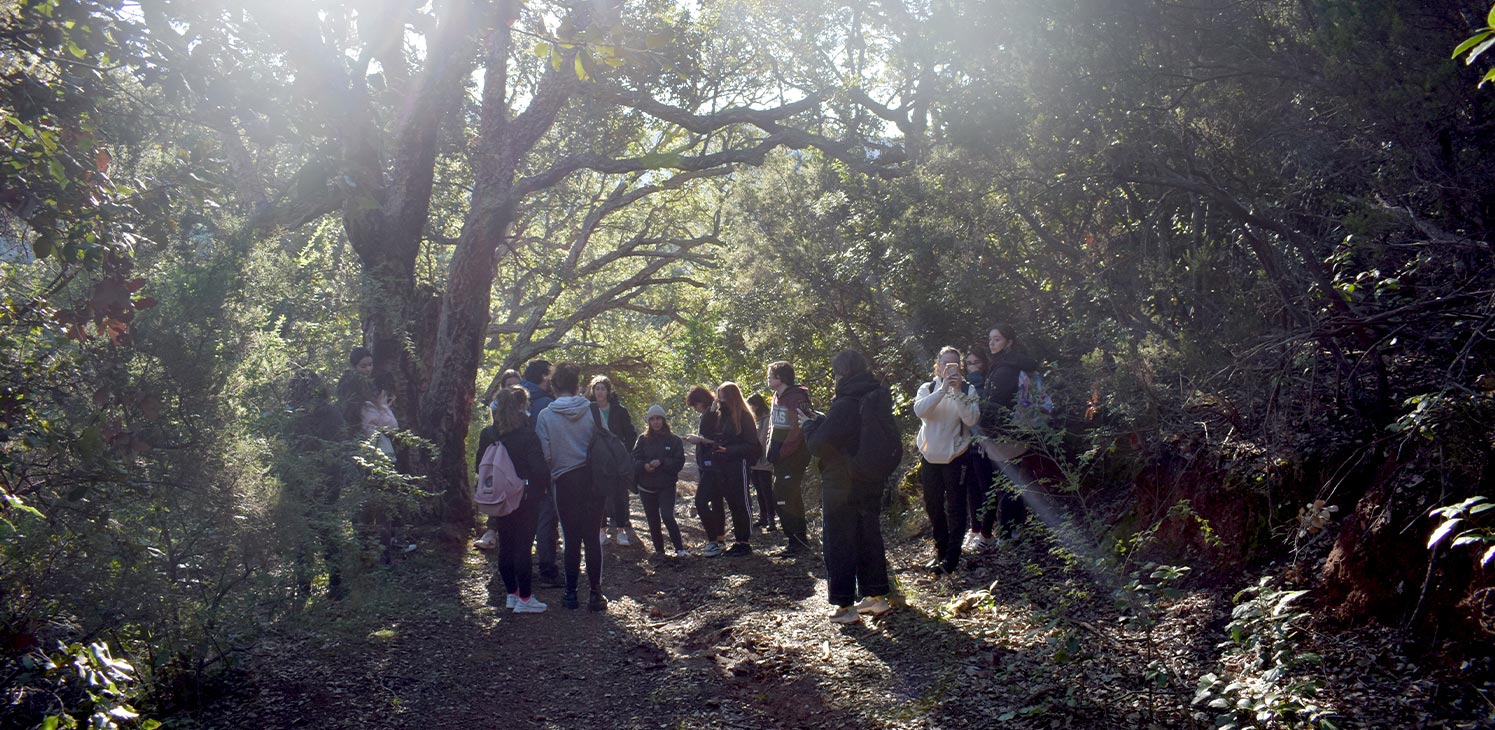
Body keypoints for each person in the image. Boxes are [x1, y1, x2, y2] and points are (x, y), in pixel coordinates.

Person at [803, 350, 894, 624]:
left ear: (841, 373)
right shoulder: (875, 396)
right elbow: (848, 431)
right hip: (871, 476)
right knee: (869, 536)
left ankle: (845, 606)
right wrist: (821, 421)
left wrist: (808, 426)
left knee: (839, 541)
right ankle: (876, 597)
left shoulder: (845, 402)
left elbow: (819, 445)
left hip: (842, 482)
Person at [534, 362, 607, 611]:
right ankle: (596, 594)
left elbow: (545, 455)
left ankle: (571, 593)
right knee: (592, 538)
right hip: (593, 481)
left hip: (564, 481)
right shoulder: (593, 411)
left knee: (571, 539)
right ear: (577, 386)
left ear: (553, 386)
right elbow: (604, 447)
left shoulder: (545, 415)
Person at [474, 386, 551, 613]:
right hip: (525, 498)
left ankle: (512, 594)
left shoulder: (488, 434)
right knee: (523, 547)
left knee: (506, 546)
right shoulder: (527, 434)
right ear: (521, 406)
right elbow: (538, 469)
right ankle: (526, 599)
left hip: (498, 496)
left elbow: (480, 463)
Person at [914, 347, 980, 575]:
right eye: (945, 364)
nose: (949, 368)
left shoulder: (968, 389)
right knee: (933, 506)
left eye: (954, 364)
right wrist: (942, 389)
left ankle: (952, 559)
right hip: (929, 456)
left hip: (956, 457)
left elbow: (971, 419)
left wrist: (957, 390)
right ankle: (941, 552)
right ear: (938, 365)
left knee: (956, 507)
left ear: (959, 367)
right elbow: (920, 411)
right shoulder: (928, 387)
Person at [978, 323, 1042, 541]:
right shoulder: (1014, 363)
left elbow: (996, 404)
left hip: (1005, 432)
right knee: (1013, 480)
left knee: (1006, 482)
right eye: (990, 339)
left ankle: (1007, 533)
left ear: (1009, 342)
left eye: (997, 339)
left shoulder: (1005, 368)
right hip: (1020, 428)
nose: (992, 343)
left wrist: (983, 428)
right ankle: (1016, 528)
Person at [519, 360, 562, 587]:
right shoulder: (545, 404)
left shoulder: (513, 398)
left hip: (516, 471)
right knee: (546, 519)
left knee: (522, 521)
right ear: (544, 377)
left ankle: (520, 571)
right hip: (543, 469)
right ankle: (547, 571)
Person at [766, 361, 815, 555]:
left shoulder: (796, 397)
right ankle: (796, 539)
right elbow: (776, 428)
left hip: (795, 454)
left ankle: (798, 540)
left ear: (781, 378)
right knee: (786, 495)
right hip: (780, 456)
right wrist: (772, 450)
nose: (768, 378)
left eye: (771, 375)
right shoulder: (777, 397)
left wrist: (787, 449)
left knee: (783, 495)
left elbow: (807, 423)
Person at [709, 382, 760, 556]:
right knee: (732, 504)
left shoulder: (744, 416)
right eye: (719, 396)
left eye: (724, 397)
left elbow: (752, 445)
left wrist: (729, 450)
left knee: (741, 502)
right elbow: (709, 433)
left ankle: (744, 541)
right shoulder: (721, 416)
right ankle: (738, 541)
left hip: (739, 464)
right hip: (723, 466)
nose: (721, 400)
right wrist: (712, 411)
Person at [589, 375, 638, 546]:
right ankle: (601, 531)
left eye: (603, 388)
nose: (600, 392)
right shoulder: (589, 410)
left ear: (608, 391)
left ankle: (621, 531)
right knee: (598, 495)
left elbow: (631, 434)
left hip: (617, 459)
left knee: (620, 495)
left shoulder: (619, 411)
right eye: (597, 388)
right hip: (597, 460)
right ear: (592, 391)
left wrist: (625, 450)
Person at [632, 404, 687, 557]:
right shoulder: (642, 439)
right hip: (646, 486)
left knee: (668, 515)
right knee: (652, 519)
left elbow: (679, 463)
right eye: (652, 419)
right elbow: (634, 460)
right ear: (649, 422)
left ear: (663, 420)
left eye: (658, 419)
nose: (656, 422)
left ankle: (680, 549)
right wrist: (644, 466)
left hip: (666, 485)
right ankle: (659, 551)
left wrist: (661, 462)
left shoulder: (674, 440)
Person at [960, 348, 998, 550]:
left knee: (987, 489)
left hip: (984, 445)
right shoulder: (963, 386)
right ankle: (975, 530)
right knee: (972, 489)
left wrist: (974, 378)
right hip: (967, 446)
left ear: (984, 363)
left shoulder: (988, 383)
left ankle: (986, 533)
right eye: (969, 363)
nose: (973, 366)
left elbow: (984, 407)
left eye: (976, 362)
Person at [684, 386, 727, 556]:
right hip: (707, 466)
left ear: (702, 401)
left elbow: (717, 441)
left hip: (713, 466)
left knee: (701, 502)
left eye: (695, 405)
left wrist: (699, 440)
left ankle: (713, 540)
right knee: (716, 502)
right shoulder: (709, 414)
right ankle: (719, 539)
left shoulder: (714, 414)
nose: (695, 409)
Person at [746, 393, 776, 533]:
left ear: (757, 405)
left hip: (764, 459)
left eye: (751, 405)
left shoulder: (768, 418)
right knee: (759, 490)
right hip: (753, 460)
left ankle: (771, 519)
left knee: (766, 490)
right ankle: (763, 517)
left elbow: (765, 439)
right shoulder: (754, 419)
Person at [336, 346, 375, 430]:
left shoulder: (370, 382)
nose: (368, 369)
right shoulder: (348, 381)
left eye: (370, 365)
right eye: (363, 366)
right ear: (354, 366)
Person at [359, 374, 398, 457]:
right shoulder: (368, 409)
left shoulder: (370, 408)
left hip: (380, 450)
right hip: (377, 451)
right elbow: (393, 427)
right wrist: (384, 408)